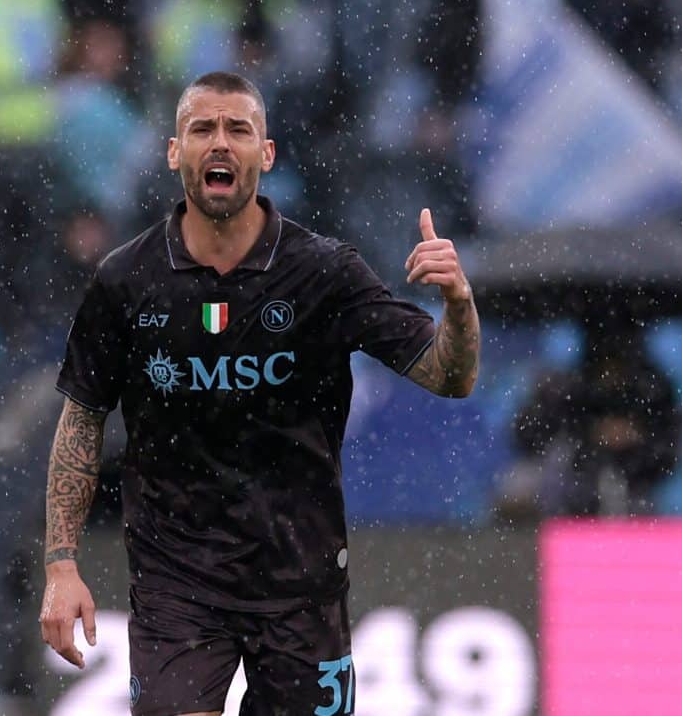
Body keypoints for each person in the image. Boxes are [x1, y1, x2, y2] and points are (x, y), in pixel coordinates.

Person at [39, 71, 480, 716]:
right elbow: (81, 422)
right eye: (202, 129)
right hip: (176, 584)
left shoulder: (324, 271)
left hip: (301, 582)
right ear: (174, 152)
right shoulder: (125, 281)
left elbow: (450, 376)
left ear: (265, 155)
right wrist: (60, 566)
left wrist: (460, 308)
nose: (220, 143)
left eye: (238, 130)